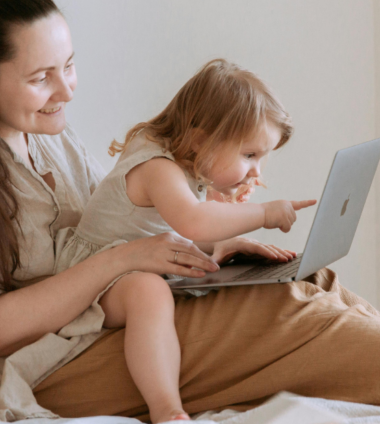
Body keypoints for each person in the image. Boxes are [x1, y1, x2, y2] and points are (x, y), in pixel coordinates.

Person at [0, 0, 380, 423]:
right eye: (41, 77)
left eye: (69, 65)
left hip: (109, 316)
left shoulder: (53, 138)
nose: (67, 89)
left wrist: (206, 249)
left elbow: (117, 228)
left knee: (301, 279)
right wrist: (122, 261)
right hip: (48, 364)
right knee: (282, 314)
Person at [54, 58, 316, 422]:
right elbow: (193, 222)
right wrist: (265, 214)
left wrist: (231, 239)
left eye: (262, 157)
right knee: (149, 292)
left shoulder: (186, 160)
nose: (256, 170)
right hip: (92, 279)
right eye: (250, 155)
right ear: (200, 140)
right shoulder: (157, 166)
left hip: (137, 262)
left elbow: (187, 225)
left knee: (207, 277)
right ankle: (167, 409)